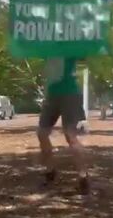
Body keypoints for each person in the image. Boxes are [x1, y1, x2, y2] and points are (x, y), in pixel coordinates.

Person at [37, 57, 89, 194]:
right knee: (42, 133)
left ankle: (83, 178)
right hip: (52, 94)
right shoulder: (46, 44)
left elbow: (84, 52)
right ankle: (50, 171)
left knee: (70, 136)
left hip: (70, 93)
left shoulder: (69, 42)